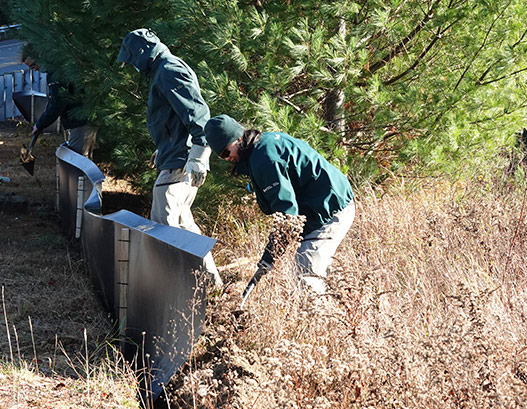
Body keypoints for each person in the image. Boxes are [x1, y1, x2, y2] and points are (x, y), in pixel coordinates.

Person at [204, 115, 355, 294]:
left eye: (226, 152)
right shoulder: (263, 146)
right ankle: (339, 308)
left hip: (330, 209)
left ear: (238, 138)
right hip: (323, 205)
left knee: (304, 274)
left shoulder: (264, 159)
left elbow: (287, 217)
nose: (226, 159)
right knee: (317, 271)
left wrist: (269, 257)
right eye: (221, 156)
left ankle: (317, 319)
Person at [116, 28, 221, 286]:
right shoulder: (165, 69)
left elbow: (198, 115)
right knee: (184, 229)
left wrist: (199, 154)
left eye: (131, 59)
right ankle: (211, 284)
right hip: (175, 159)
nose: (132, 67)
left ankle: (174, 290)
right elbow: (174, 119)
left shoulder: (169, 70)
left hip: (179, 165)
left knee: (164, 231)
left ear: (142, 52)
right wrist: (164, 148)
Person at [21, 47, 98, 159]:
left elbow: (58, 102)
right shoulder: (62, 65)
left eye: (33, 65)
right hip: (87, 116)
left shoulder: (55, 73)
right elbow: (54, 100)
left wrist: (40, 124)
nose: (34, 69)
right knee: (87, 162)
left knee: (78, 163)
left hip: (80, 121)